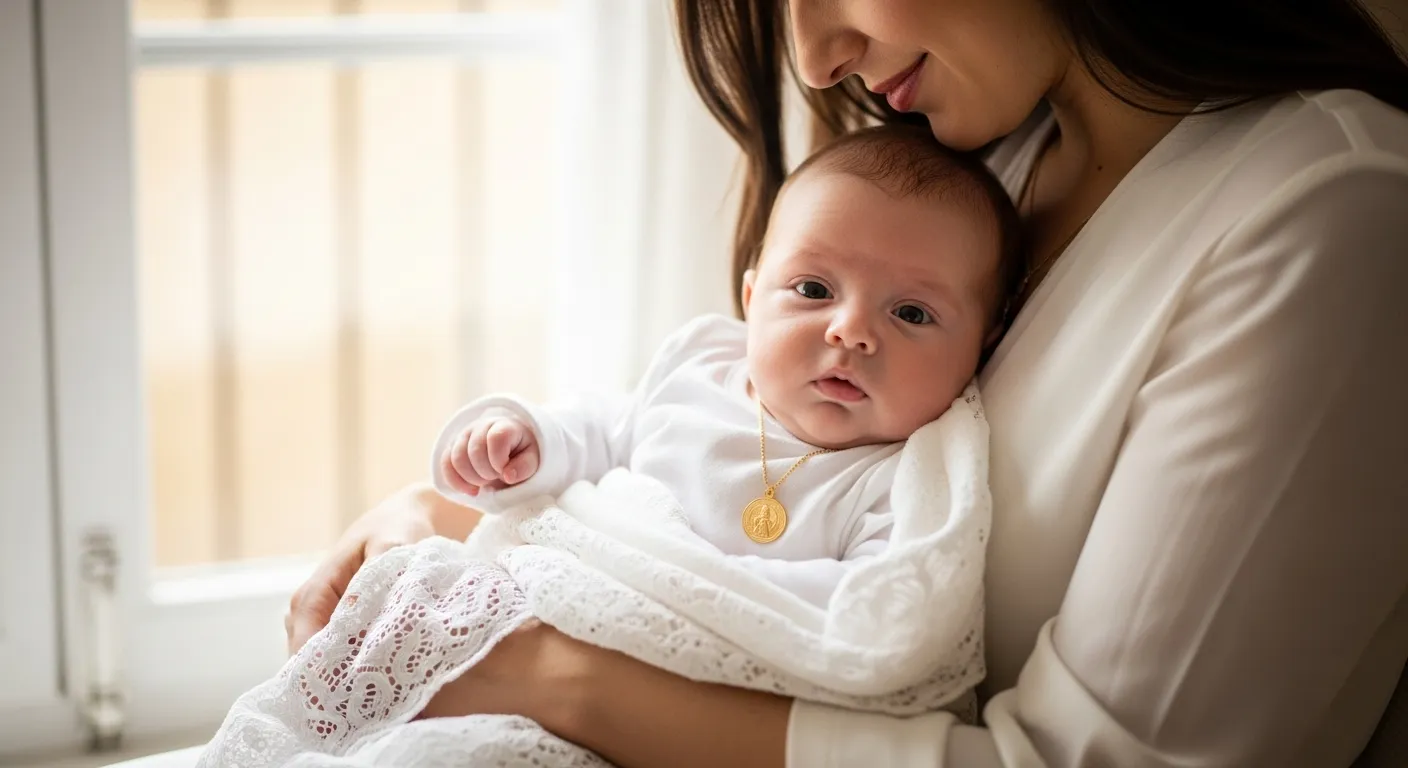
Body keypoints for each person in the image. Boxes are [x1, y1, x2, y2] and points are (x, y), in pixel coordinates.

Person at [286, 1, 1408, 766]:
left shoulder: (1327, 215)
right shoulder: (993, 173)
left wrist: (550, 675)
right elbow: (719, 462)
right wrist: (455, 522)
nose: (815, 56)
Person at [430, 124, 1021, 609]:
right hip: (563, 597)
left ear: (982, 345)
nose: (851, 331)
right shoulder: (703, 364)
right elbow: (609, 431)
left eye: (912, 313)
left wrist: (696, 591)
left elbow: (866, 605)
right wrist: (531, 441)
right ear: (751, 297)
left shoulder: (904, 477)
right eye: (814, 288)